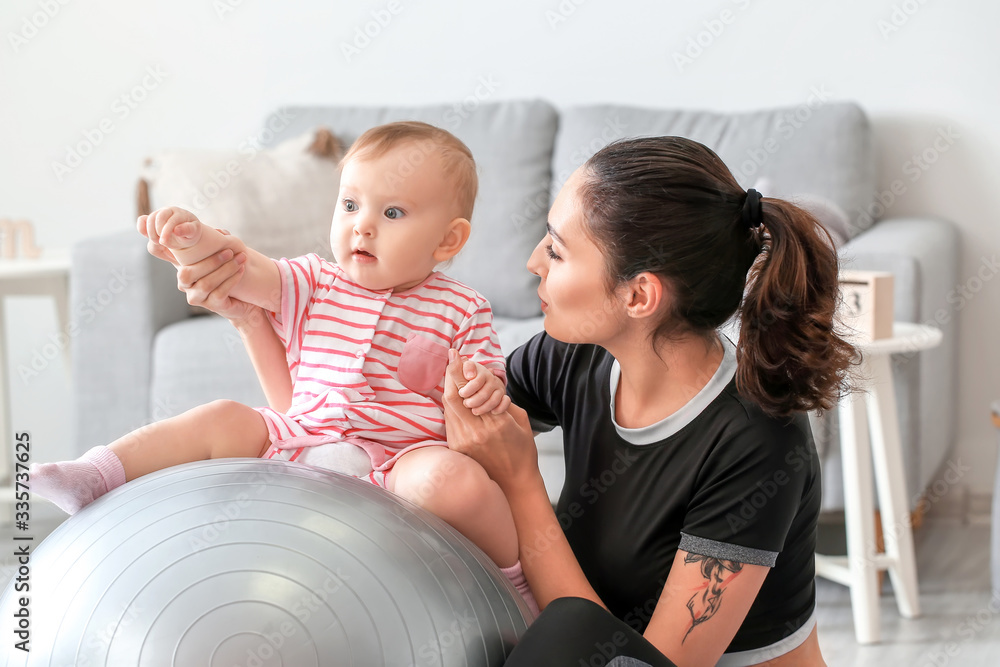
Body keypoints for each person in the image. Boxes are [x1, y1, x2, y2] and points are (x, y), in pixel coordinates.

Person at [164, 135, 854, 666]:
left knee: (563, 630)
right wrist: (255, 316)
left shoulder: (756, 442)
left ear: (638, 295)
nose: (531, 262)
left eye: (556, 250)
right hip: (586, 636)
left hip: (644, 659)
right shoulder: (576, 357)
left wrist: (523, 480)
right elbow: (344, 427)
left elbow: (648, 659)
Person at [29, 121, 539, 614]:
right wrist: (193, 237)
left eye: (394, 212)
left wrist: (478, 388)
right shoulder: (314, 280)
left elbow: (489, 386)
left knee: (456, 482)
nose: (361, 224)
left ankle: (515, 587)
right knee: (222, 416)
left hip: (401, 458)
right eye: (350, 204)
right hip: (299, 439)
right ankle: (96, 473)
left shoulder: (462, 307)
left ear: (448, 241)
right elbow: (242, 268)